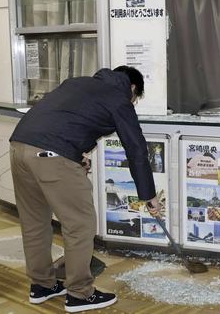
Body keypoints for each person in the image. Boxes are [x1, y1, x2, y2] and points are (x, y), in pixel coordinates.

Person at [9, 66, 161, 313]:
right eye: (135, 97)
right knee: (80, 225)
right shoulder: (119, 99)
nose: (132, 101)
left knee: (34, 222)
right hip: (51, 155)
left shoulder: (76, 83)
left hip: (19, 148)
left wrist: (74, 155)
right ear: (132, 88)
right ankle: (80, 293)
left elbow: (63, 120)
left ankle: (42, 285)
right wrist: (148, 195)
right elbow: (136, 150)